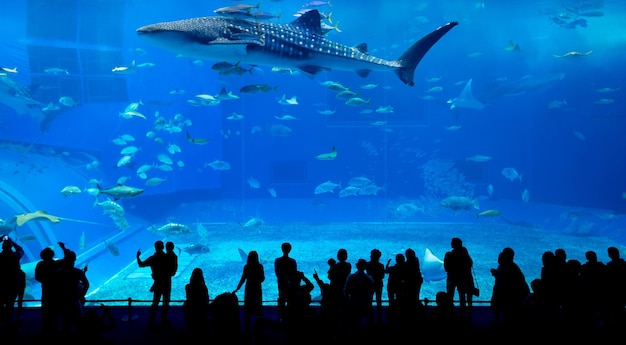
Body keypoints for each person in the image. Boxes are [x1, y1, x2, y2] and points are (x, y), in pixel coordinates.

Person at [490, 247, 529, 329]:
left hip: (507, 292)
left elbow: (508, 278)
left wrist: (497, 274)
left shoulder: (511, 267)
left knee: (505, 309)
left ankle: (504, 324)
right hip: (502, 290)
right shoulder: (506, 266)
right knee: (499, 307)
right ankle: (501, 323)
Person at [136, 240, 172, 328]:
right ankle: (164, 318)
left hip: (158, 283)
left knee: (155, 302)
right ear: (163, 247)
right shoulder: (167, 257)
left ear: (155, 248)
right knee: (166, 302)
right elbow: (171, 270)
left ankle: (151, 320)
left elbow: (141, 264)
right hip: (166, 282)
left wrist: (138, 257)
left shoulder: (152, 258)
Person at [56, 246, 90, 336]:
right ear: (74, 259)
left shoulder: (58, 272)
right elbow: (86, 284)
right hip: (75, 300)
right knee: (79, 320)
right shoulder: (78, 272)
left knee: (65, 321)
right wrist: (81, 295)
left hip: (63, 300)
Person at [233, 250, 265, 336]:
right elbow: (262, 279)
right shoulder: (260, 266)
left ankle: (246, 329)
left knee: (248, 308)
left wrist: (237, 289)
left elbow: (243, 279)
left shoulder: (246, 267)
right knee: (258, 307)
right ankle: (259, 329)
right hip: (257, 288)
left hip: (249, 288)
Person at [444, 237, 475, 320]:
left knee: (450, 296)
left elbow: (447, 268)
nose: (450, 243)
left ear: (454, 244)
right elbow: (469, 265)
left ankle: (450, 314)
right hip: (464, 279)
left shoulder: (449, 255)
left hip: (452, 278)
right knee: (463, 298)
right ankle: (465, 316)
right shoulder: (466, 255)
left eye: (452, 242)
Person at [344, 258, 375, 336]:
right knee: (369, 319)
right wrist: (369, 299)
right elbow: (371, 291)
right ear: (365, 267)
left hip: (354, 301)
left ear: (357, 266)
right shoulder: (368, 278)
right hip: (366, 301)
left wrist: (347, 299)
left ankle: (354, 335)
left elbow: (346, 290)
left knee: (354, 320)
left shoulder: (351, 277)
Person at [0, 235, 24, 328]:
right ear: (11, 247)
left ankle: (1, 322)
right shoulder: (15, 256)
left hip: (1, 284)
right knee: (10, 304)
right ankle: (7, 322)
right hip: (13, 284)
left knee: (0, 303)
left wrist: (1, 239)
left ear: (2, 247)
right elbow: (21, 250)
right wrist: (12, 241)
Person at [274, 242, 297, 322]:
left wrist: (282, 278)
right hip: (290, 285)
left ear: (282, 249)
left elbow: (277, 273)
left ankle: (281, 318)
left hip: (281, 283)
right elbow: (294, 273)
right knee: (290, 302)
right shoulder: (292, 261)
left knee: (282, 301)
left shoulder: (277, 260)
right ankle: (290, 319)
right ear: (290, 250)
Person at [183, 267, 209, 336]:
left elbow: (188, 297)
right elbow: (206, 299)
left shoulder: (187, 286)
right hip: (201, 310)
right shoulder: (204, 287)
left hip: (191, 309)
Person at [366, 248, 385, 324]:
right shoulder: (381, 265)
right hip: (378, 284)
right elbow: (382, 276)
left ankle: (370, 319)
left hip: (369, 284)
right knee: (378, 300)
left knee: (369, 301)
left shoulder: (368, 264)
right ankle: (379, 318)